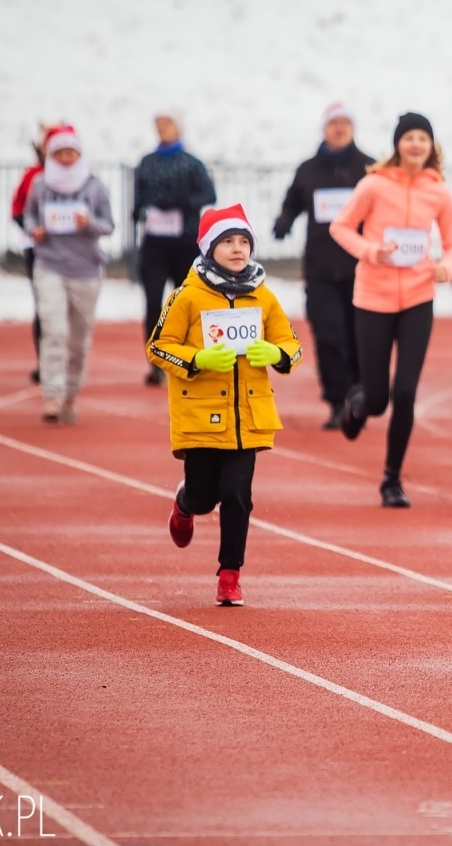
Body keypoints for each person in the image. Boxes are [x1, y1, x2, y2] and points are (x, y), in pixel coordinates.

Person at [149, 205, 302, 608]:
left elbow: (292, 345)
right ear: (209, 247)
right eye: (228, 242)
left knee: (237, 494)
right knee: (203, 496)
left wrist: (276, 353)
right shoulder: (187, 296)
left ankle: (229, 575)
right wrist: (197, 360)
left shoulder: (263, 296)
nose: (238, 249)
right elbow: (158, 346)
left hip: (247, 417)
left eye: (244, 242)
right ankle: (185, 503)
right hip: (201, 416)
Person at [330, 112, 452, 508]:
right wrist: (371, 252)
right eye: (409, 138)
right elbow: (340, 227)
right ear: (398, 145)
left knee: (405, 392)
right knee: (378, 399)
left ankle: (391, 478)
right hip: (373, 298)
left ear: (431, 146)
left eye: (423, 137)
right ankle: (358, 405)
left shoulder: (439, 191)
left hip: (418, 299)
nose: (416, 144)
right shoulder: (373, 185)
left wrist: (446, 268)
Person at [273, 103, 376, 429]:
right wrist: (284, 221)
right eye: (334, 124)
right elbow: (292, 202)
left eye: (346, 123)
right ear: (325, 129)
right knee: (328, 334)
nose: (340, 129)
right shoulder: (308, 170)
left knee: (360, 335)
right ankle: (335, 400)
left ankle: (359, 392)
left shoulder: (369, 168)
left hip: (361, 270)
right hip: (320, 270)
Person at [22, 124, 115, 425]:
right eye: (59, 152)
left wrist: (88, 222)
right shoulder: (40, 184)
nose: (65, 158)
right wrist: (33, 230)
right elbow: (29, 216)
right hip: (49, 264)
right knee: (54, 330)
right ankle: (52, 394)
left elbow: (108, 225)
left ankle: (71, 394)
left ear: (79, 153)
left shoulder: (94, 186)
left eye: (70, 152)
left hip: (86, 269)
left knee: (79, 338)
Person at [133, 109, 216, 386]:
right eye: (158, 124)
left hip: (185, 244)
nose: (162, 128)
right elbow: (138, 193)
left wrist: (185, 202)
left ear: (179, 127)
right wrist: (138, 209)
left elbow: (209, 193)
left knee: (185, 303)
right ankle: (156, 361)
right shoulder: (146, 162)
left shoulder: (191, 163)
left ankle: (187, 356)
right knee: (153, 303)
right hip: (155, 244)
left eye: (167, 123)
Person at [8, 133, 46, 384]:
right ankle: (45, 362)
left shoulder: (81, 178)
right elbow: (17, 209)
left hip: (73, 255)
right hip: (39, 250)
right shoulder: (32, 176)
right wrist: (32, 228)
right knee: (44, 306)